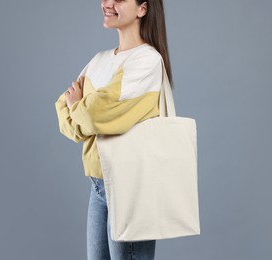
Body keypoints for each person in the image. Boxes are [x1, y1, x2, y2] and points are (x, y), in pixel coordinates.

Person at [55, 0, 173, 259]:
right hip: (98, 186)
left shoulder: (147, 62)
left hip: (130, 187)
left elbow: (96, 114)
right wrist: (82, 109)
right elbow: (69, 118)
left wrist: (83, 107)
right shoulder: (99, 60)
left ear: (143, 9)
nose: (107, 3)